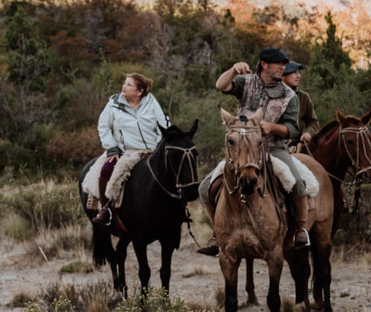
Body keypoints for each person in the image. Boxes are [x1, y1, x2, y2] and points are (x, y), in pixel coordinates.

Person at [196, 46, 313, 253]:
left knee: (296, 183)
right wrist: (233, 70)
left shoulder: (289, 96)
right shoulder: (246, 83)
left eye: (285, 64)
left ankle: (300, 229)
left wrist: (272, 127)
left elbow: (293, 128)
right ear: (264, 64)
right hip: (241, 150)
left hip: (273, 149)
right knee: (205, 188)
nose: (283, 68)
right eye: (279, 64)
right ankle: (219, 234)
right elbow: (221, 85)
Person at [93, 72, 169, 224]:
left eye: (129, 85)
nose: (124, 86)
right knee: (106, 169)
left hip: (152, 151)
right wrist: (112, 147)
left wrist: (159, 147)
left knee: (173, 171)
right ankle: (105, 208)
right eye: (124, 83)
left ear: (139, 91)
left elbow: (164, 125)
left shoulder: (152, 103)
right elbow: (103, 126)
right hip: (125, 152)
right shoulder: (113, 103)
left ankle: (177, 209)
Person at [282, 61, 318, 150]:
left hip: (295, 144)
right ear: (282, 76)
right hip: (272, 144)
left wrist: (308, 133)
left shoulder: (304, 97)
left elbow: (313, 122)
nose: (299, 76)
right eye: (294, 72)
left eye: (298, 72)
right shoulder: (270, 95)